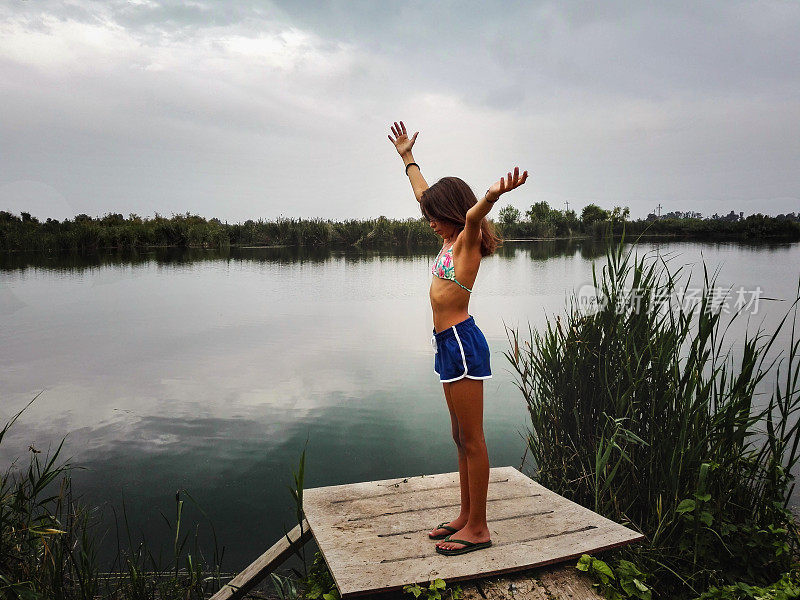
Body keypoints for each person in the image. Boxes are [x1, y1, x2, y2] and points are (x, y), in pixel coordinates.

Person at [388, 120, 528, 556]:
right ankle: (466, 515)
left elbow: (471, 214)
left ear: (453, 214)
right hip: (446, 345)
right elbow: (422, 193)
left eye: (434, 216)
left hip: (463, 344)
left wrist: (490, 196)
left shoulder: (466, 239)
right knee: (458, 436)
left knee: (473, 438)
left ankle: (480, 529)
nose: (429, 222)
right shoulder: (448, 239)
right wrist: (407, 157)